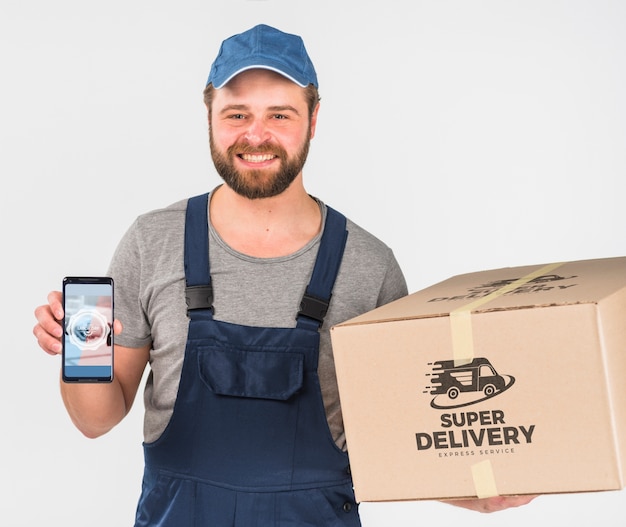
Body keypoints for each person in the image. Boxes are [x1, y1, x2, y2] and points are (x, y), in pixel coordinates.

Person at [33, 24, 536, 526]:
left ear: (313, 119)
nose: (256, 135)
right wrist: (77, 351)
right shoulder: (151, 241)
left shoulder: (370, 266)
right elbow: (94, 420)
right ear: (209, 116)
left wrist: (474, 495)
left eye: (280, 114)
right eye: (237, 114)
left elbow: (397, 441)